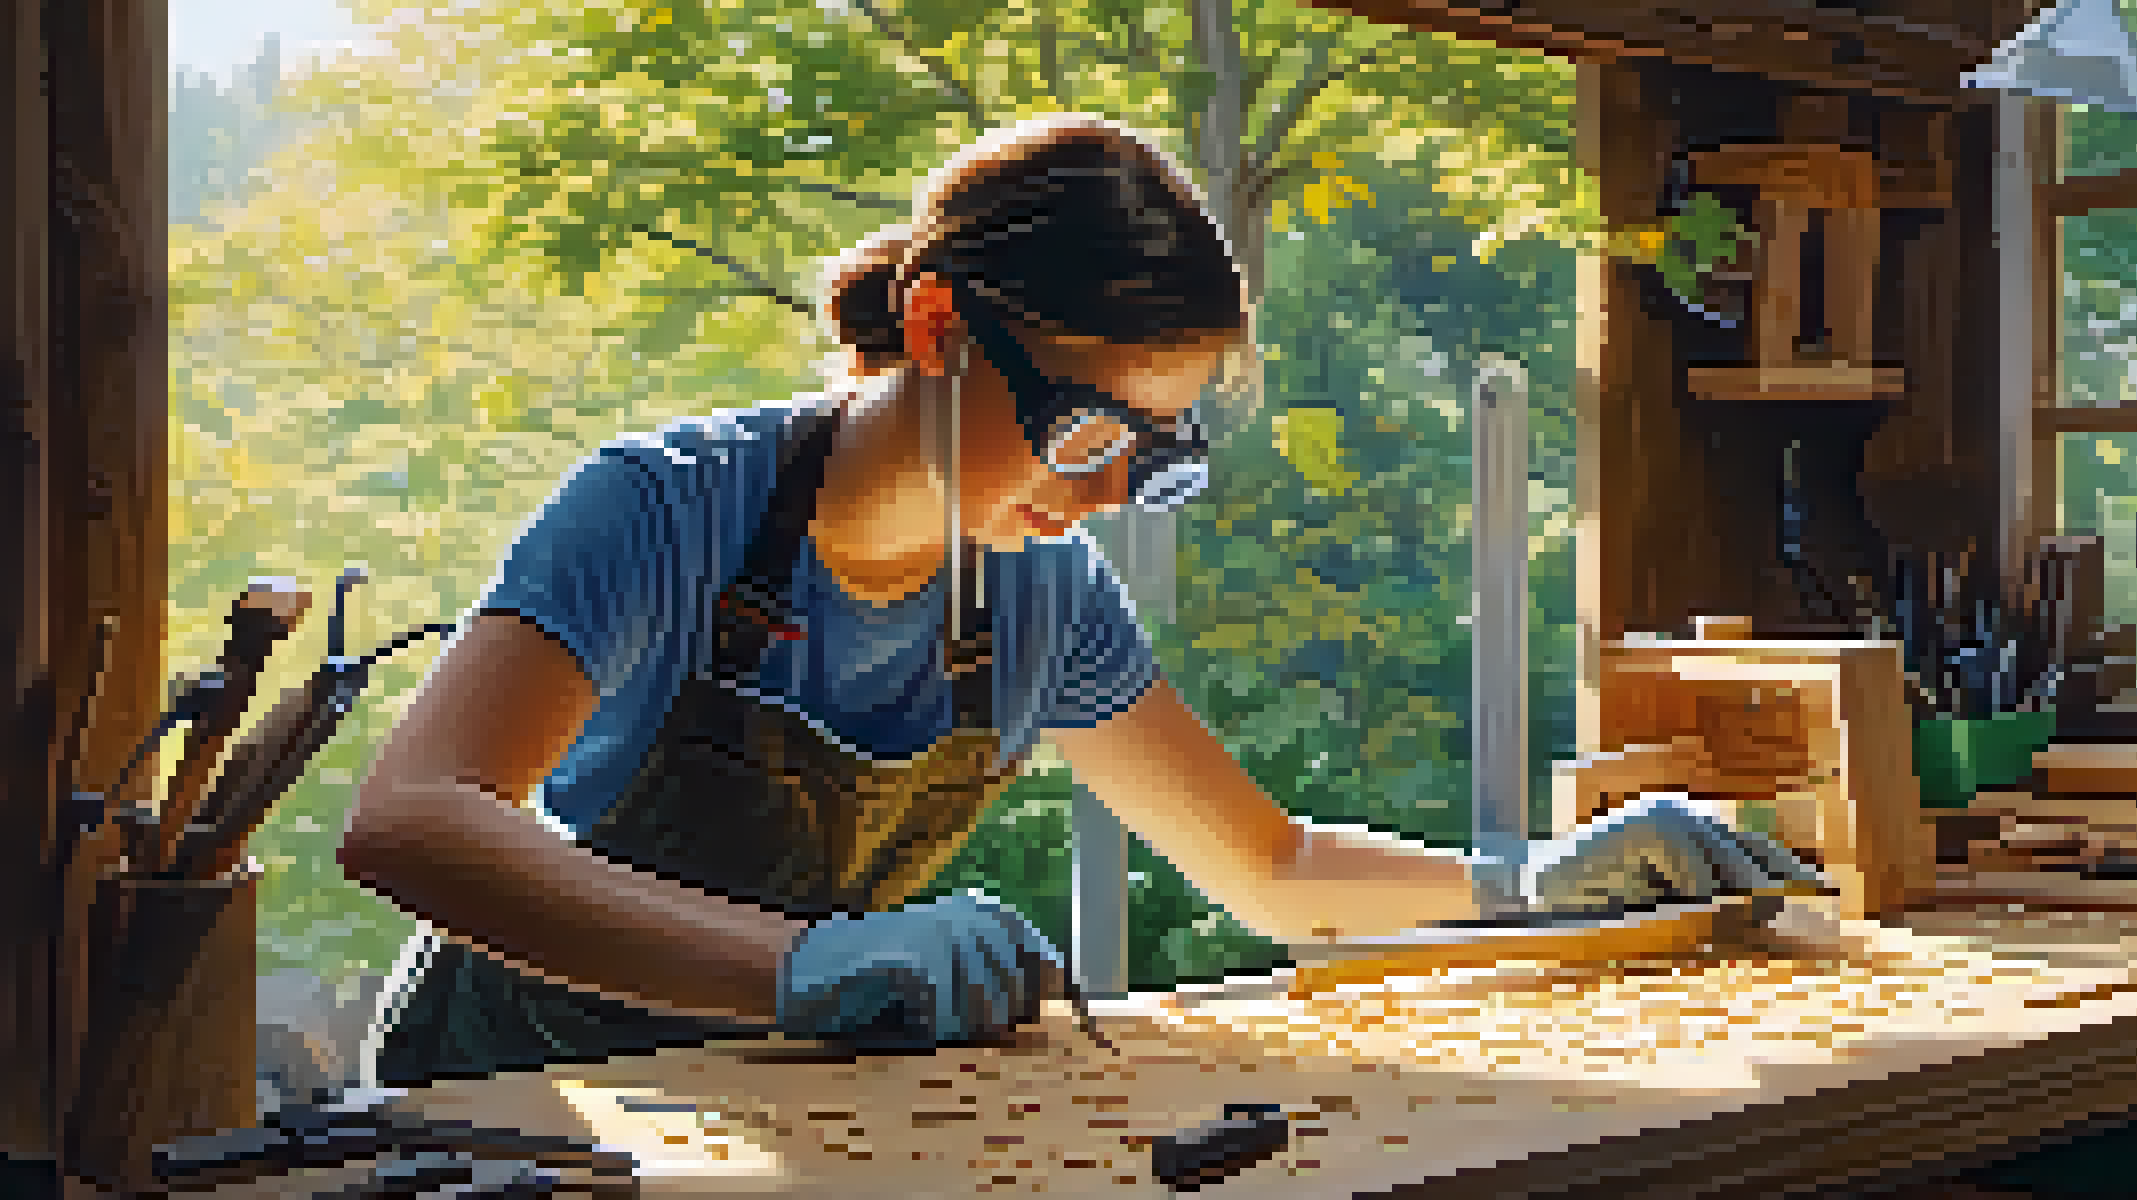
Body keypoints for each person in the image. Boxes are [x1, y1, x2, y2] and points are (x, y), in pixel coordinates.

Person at [339, 114, 1820, 1089]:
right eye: (1094, 432)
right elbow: (412, 822)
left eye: (1156, 456)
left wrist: (1530, 886)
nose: (1110, 494)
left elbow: (1270, 866)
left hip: (740, 1107)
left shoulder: (1042, 592)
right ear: (937, 329)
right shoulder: (670, 507)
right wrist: (797, 967)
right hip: (506, 1117)